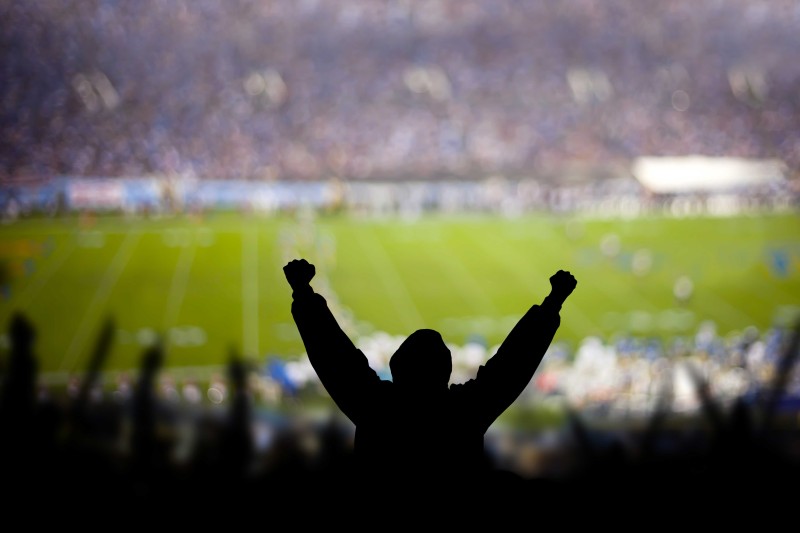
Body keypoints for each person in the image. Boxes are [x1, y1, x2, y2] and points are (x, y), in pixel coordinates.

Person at [283, 258, 577, 500]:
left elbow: (335, 358)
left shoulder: (376, 406)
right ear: (445, 370)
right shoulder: (464, 412)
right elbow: (511, 367)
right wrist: (552, 304)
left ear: (398, 368)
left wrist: (303, 293)